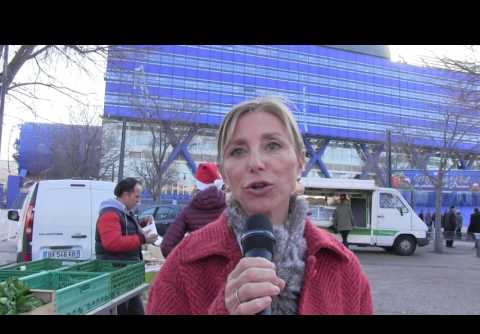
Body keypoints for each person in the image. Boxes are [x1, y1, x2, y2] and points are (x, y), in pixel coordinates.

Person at [147, 97, 373, 315]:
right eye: (237, 151)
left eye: (273, 145)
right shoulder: (182, 267)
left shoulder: (344, 267)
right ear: (224, 172)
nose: (255, 163)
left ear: (300, 162)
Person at [96, 177, 158, 315]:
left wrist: (141, 223)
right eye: (137, 196)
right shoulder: (110, 214)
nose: (139, 200)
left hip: (127, 274)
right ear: (125, 194)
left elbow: (125, 229)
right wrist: (142, 238)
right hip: (117, 275)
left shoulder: (123, 212)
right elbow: (112, 243)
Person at [161, 163, 226, 258]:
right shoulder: (232, 207)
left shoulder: (189, 210)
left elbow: (167, 246)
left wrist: (188, 259)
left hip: (199, 267)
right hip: (228, 269)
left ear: (198, 185)